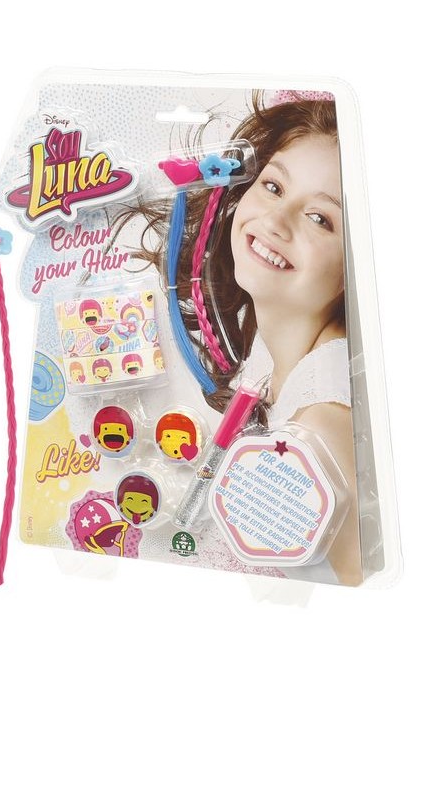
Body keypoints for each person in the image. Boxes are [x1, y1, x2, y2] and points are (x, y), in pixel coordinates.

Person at [116, 92, 359, 584]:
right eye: (273, 186)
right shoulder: (274, 354)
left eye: (320, 218)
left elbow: (368, 588)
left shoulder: (324, 422)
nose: (275, 221)